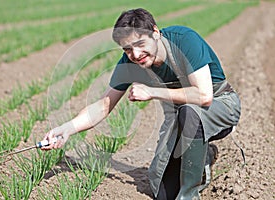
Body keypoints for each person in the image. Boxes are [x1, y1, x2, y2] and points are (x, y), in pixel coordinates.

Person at [42, 8, 241, 200]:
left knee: (190, 112)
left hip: (220, 105)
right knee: (162, 193)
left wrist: (152, 92)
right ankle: (204, 154)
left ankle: (189, 194)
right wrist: (67, 129)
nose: (135, 55)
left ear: (155, 32)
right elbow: (103, 105)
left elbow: (204, 96)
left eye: (140, 44)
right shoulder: (129, 63)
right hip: (180, 121)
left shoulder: (185, 40)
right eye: (128, 49)